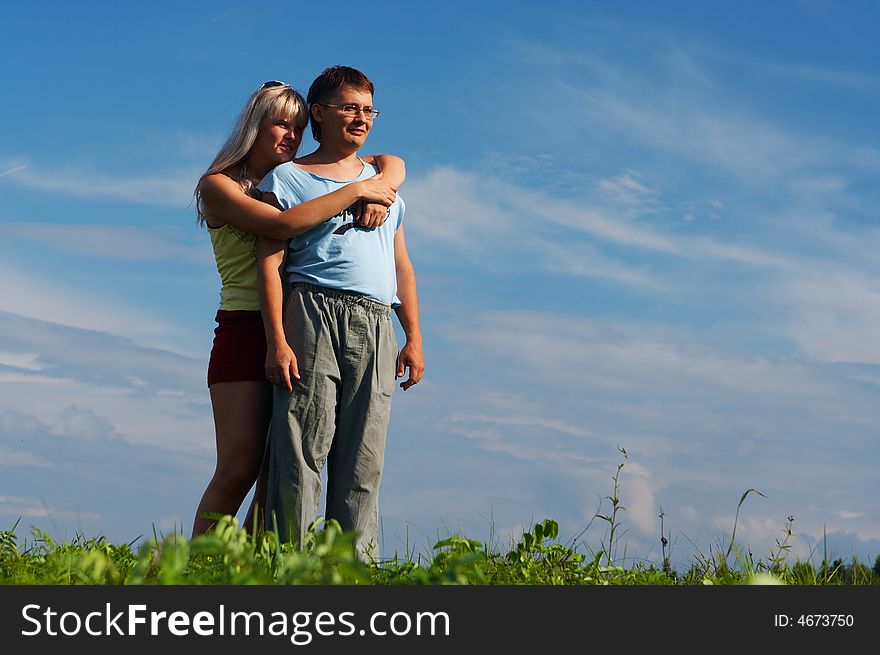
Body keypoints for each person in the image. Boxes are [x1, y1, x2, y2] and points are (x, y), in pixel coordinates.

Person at [191, 80, 406, 537]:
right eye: (280, 125)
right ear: (254, 127)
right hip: (246, 329)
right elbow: (284, 225)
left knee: (280, 472)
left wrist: (381, 185)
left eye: (297, 127)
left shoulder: (300, 182)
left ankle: (252, 573)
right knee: (239, 468)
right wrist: (357, 192)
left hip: (299, 326)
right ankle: (197, 570)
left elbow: (392, 162)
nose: (290, 136)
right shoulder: (219, 186)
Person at [257, 66, 424, 559]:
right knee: (301, 448)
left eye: (369, 109)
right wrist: (277, 341)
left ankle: (355, 570)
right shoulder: (287, 178)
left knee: (364, 458)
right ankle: (291, 567)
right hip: (311, 312)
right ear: (320, 112)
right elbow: (270, 263)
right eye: (350, 107)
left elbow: (402, 265)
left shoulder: (384, 183)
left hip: (375, 321)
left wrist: (413, 335)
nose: (361, 118)